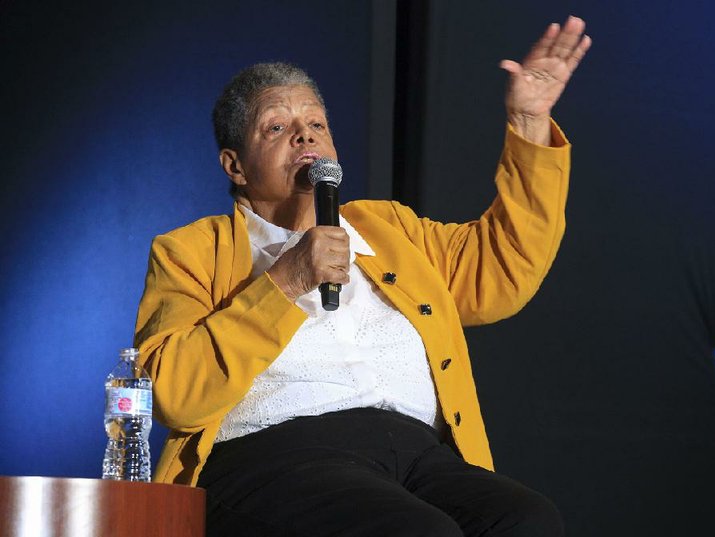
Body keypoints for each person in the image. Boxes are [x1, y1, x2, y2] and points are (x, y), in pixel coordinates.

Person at [134, 15, 591, 537]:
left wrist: (529, 122)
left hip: (418, 455)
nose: (305, 134)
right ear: (235, 166)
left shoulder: (389, 228)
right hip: (275, 456)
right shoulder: (192, 251)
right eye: (278, 127)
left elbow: (503, 265)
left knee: (526, 520)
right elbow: (171, 395)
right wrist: (286, 281)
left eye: (317, 123)